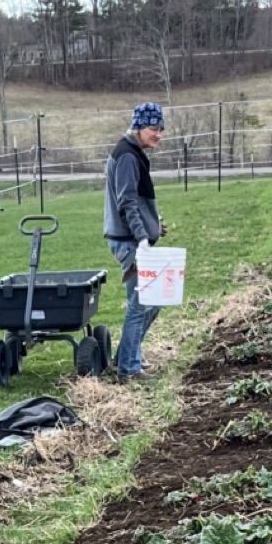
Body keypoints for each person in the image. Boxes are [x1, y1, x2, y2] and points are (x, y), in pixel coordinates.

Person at [103, 102, 167, 382]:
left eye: (161, 129)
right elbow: (126, 202)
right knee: (140, 303)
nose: (158, 134)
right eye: (153, 128)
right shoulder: (127, 156)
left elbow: (135, 202)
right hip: (130, 242)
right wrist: (142, 237)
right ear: (139, 127)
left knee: (154, 300)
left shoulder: (132, 152)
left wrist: (153, 225)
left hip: (134, 238)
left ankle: (125, 357)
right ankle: (129, 369)